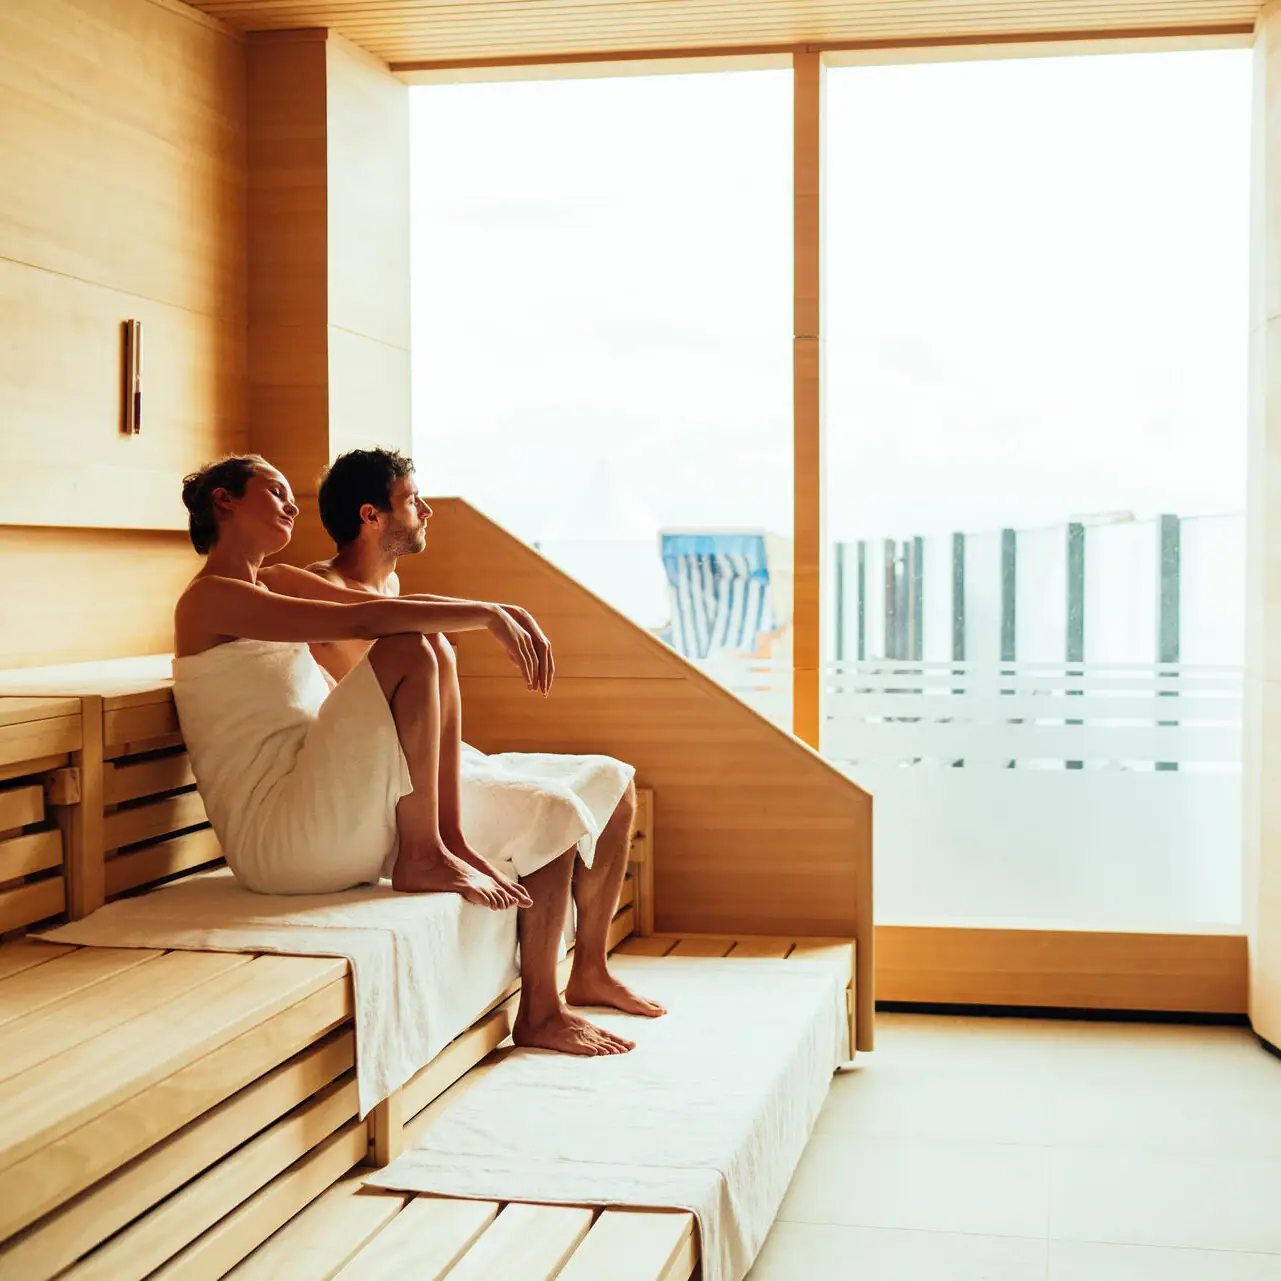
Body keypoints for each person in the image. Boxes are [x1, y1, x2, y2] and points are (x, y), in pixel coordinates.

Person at [173, 454, 656, 1058]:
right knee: (412, 649)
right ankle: (430, 852)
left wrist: (481, 616)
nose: (293, 506)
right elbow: (367, 618)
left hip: (320, 807)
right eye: (274, 491)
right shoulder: (211, 600)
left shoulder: (262, 585)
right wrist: (487, 613)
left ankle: (442, 839)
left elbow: (374, 614)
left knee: (426, 647)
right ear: (225, 501)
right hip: (279, 838)